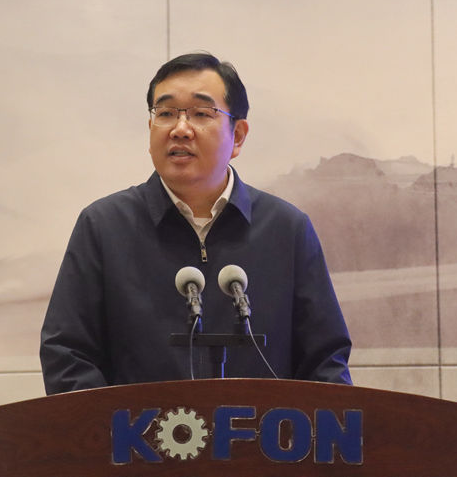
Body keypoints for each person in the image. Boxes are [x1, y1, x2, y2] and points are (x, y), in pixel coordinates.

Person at [40, 52, 352, 394]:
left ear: (238, 136)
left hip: (263, 430)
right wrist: (109, 426)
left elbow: (325, 363)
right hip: (138, 429)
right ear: (150, 129)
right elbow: (67, 355)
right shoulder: (103, 226)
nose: (180, 129)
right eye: (165, 113)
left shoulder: (286, 229)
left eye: (201, 114)